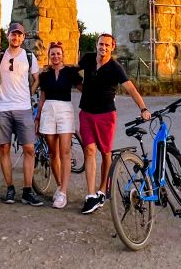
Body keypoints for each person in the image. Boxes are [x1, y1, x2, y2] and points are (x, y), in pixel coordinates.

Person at [78, 33, 151, 215]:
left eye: (107, 45)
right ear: (97, 45)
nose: (103, 47)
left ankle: (103, 189)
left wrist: (143, 108)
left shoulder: (115, 68)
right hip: (86, 112)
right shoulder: (87, 59)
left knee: (105, 153)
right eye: (101, 44)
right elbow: (72, 73)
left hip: (105, 115)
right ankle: (90, 194)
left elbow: (131, 88)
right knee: (89, 150)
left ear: (112, 47)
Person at [0, 22, 43, 206]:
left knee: (29, 148)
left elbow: (37, 78)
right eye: (13, 34)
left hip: (23, 107)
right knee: (4, 148)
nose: (16, 37)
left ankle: (27, 190)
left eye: (19, 35)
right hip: (2, 107)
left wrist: (30, 93)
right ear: (8, 35)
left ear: (23, 37)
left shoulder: (29, 56)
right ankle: (10, 188)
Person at [36, 41, 82, 209]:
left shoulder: (70, 72)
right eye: (53, 54)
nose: (56, 56)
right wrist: (37, 117)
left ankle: (63, 192)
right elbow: (42, 97)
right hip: (48, 110)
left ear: (63, 55)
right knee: (53, 152)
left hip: (64, 110)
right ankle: (59, 185)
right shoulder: (45, 75)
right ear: (50, 56)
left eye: (58, 53)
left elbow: (83, 88)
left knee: (65, 151)